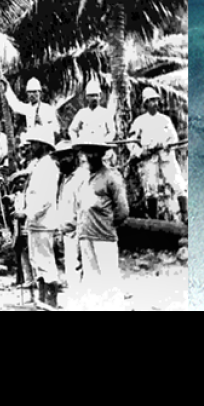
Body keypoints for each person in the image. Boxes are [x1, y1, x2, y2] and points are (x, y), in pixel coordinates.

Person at [61, 127, 130, 309]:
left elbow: (122, 210)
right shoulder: (84, 178)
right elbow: (79, 207)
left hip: (104, 237)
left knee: (109, 279)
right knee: (91, 280)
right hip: (85, 236)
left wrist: (107, 225)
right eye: (87, 151)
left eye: (95, 151)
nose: (91, 155)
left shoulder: (111, 177)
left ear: (101, 153)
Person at [16, 126, 64, 308]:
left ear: (43, 145)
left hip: (43, 222)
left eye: (34, 144)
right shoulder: (40, 165)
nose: (31, 147)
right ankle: (42, 300)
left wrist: (27, 213)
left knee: (45, 262)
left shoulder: (49, 167)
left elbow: (45, 198)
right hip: (36, 223)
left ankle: (51, 301)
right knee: (37, 261)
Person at [128, 87, 186, 222]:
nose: (154, 103)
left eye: (155, 100)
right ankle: (153, 220)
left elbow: (174, 139)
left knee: (177, 183)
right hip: (149, 158)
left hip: (166, 156)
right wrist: (140, 152)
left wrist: (168, 145)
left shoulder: (165, 120)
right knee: (151, 187)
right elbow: (130, 141)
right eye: (151, 101)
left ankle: (185, 214)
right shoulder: (140, 121)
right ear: (146, 104)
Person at [6, 77, 70, 139]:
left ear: (39, 93)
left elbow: (56, 130)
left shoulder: (48, 109)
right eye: (29, 92)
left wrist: (42, 124)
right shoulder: (28, 109)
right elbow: (15, 105)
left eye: (34, 92)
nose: (31, 95)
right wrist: (6, 88)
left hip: (45, 142)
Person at [65, 78, 116, 144]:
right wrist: (76, 141)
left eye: (96, 95)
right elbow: (72, 130)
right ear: (87, 97)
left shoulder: (106, 113)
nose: (94, 98)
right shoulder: (82, 113)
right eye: (91, 95)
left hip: (101, 147)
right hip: (84, 147)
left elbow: (112, 132)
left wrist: (105, 141)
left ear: (100, 96)